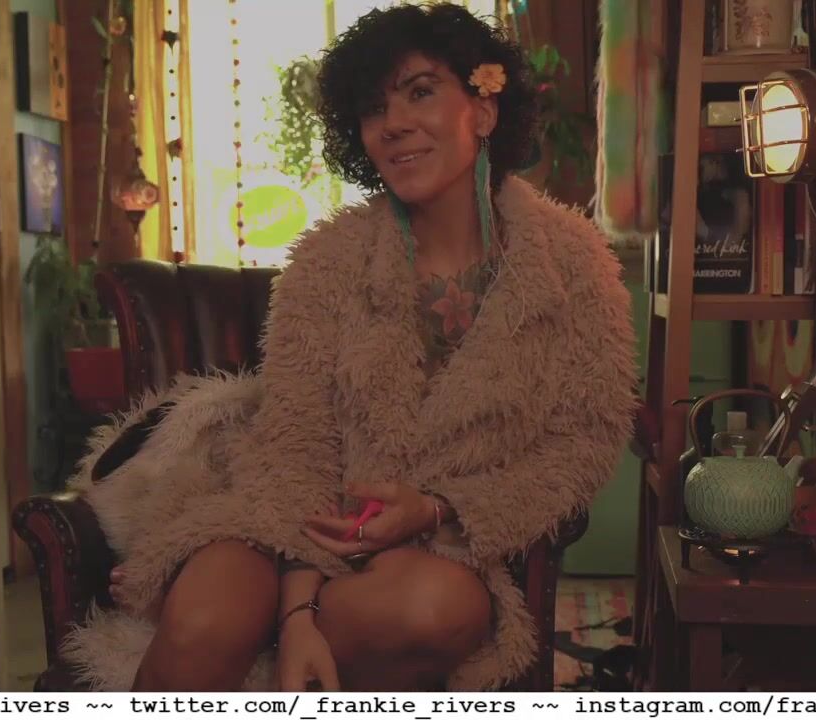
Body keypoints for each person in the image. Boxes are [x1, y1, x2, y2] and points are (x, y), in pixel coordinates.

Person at [60, 2, 636, 693]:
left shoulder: (573, 264)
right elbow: (295, 445)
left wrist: (440, 507)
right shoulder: (327, 261)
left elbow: (584, 441)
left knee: (430, 607)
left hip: (439, 543)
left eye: (420, 91)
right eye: (373, 108)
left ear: (483, 109)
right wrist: (299, 607)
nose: (393, 124)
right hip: (285, 521)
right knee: (207, 621)